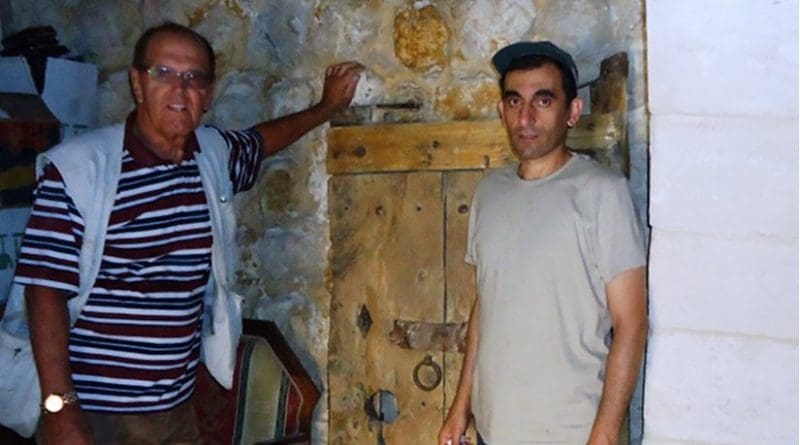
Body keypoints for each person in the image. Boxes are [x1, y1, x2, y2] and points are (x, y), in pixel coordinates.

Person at [0, 22, 362, 445]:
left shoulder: (212, 158)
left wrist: (326, 108)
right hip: (96, 414)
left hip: (174, 411)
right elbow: (44, 292)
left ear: (207, 95)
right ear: (137, 83)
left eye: (194, 78)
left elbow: (261, 141)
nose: (180, 89)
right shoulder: (78, 171)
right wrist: (60, 408)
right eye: (163, 74)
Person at [437, 41, 647, 445]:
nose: (526, 117)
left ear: (572, 112)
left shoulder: (602, 193)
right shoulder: (489, 193)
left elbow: (631, 323)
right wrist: (459, 409)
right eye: (514, 101)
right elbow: (487, 306)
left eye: (544, 100)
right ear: (501, 110)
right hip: (493, 431)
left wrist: (603, 435)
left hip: (571, 433)